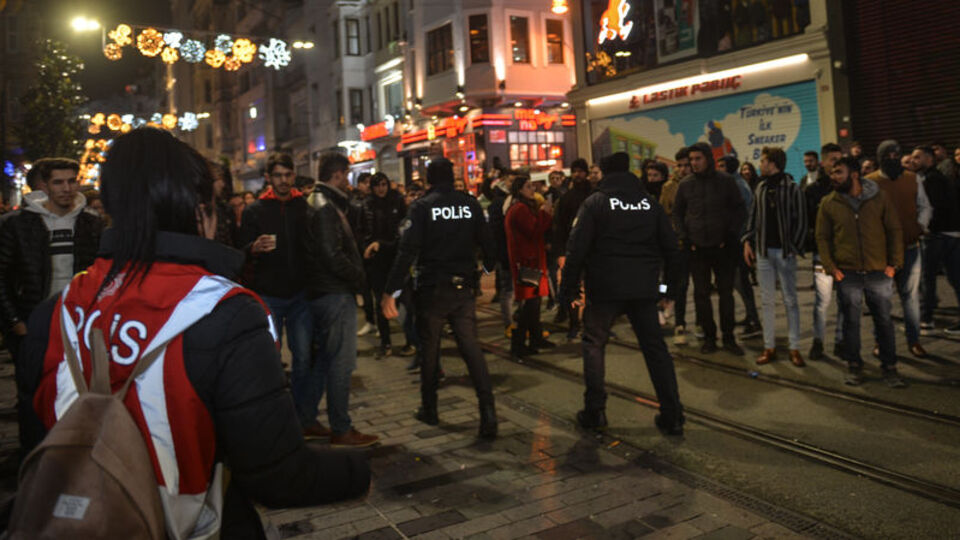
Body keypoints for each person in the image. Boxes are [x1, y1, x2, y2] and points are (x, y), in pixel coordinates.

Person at [26, 129, 370, 537]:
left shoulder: (56, 311)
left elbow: (38, 445)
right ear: (202, 212)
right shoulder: (226, 311)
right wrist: (360, 472)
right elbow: (277, 474)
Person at [559, 152, 684, 436]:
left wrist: (567, 290)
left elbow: (575, 249)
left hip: (604, 288)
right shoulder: (648, 203)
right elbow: (672, 250)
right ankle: (672, 413)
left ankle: (595, 410)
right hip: (643, 289)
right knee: (656, 350)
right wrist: (668, 289)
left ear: (603, 172)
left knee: (594, 344)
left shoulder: (595, 203)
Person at [381, 158, 498, 439]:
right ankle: (489, 414)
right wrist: (484, 271)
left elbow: (406, 251)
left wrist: (390, 291)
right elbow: (490, 245)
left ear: (429, 179)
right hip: (463, 289)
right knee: (472, 349)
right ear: (453, 175)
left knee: (430, 350)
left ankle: (430, 408)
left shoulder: (421, 207)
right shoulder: (469, 204)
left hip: (433, 289)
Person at [0, 157, 103, 455]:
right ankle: (35, 461)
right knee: (32, 396)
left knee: (82, 392)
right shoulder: (18, 226)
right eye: (58, 182)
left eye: (72, 181)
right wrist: (14, 322)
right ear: (44, 185)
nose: (67, 188)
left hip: (79, 321)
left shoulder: (91, 223)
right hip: (33, 321)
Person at [237, 153, 317, 436]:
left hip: (301, 295)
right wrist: (253, 248)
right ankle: (274, 421)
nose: (284, 180)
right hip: (268, 295)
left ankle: (304, 418)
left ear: (294, 175)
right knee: (269, 360)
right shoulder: (255, 211)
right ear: (269, 178)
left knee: (304, 358)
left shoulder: (304, 207)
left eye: (288, 174)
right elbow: (239, 250)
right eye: (278, 175)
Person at [303, 153, 379, 447]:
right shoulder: (324, 207)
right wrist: (358, 278)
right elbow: (331, 254)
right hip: (333, 293)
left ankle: (307, 418)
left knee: (325, 360)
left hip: (324, 291)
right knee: (341, 363)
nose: (348, 181)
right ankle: (341, 428)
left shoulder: (321, 202)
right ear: (337, 175)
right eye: (346, 175)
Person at [816, 157, 905, 387]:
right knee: (851, 323)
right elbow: (822, 237)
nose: (833, 176)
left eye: (838, 172)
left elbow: (894, 229)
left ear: (854, 174)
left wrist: (893, 264)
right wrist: (831, 267)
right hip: (847, 273)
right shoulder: (829, 202)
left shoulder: (879, 197)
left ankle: (890, 367)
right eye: (832, 172)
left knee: (884, 321)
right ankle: (854, 366)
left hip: (879, 271)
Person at [673, 142, 746, 355]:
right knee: (701, 295)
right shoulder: (686, 185)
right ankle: (709, 337)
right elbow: (677, 213)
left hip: (723, 247)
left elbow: (740, 209)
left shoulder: (726, 181)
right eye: (691, 160)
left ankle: (729, 337)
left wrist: (731, 234)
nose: (694, 163)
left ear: (708, 159)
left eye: (698, 159)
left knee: (726, 294)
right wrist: (685, 237)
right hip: (697, 249)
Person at [865, 140, 932, 358]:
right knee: (881, 300)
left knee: (910, 298)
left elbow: (924, 206)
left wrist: (920, 226)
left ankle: (914, 340)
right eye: (888, 156)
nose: (893, 159)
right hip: (881, 252)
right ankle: (880, 341)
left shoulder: (912, 179)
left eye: (896, 155)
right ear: (880, 158)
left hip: (910, 248)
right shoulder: (870, 182)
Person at [742, 147, 807, 366]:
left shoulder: (792, 188)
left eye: (763, 161)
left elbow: (801, 220)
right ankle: (768, 346)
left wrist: (793, 246)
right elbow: (753, 217)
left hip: (785, 252)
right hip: (763, 251)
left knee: (791, 300)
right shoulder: (760, 187)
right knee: (767, 300)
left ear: (773, 163)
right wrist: (748, 242)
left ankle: (794, 347)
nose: (760, 164)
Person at [505, 173, 555, 356]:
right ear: (519, 190)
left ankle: (535, 338)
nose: (532, 189)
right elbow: (534, 230)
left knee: (533, 303)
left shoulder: (520, 207)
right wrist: (545, 213)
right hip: (527, 262)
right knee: (529, 305)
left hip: (530, 261)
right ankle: (519, 344)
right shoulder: (519, 209)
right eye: (528, 186)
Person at [360, 172, 408, 358]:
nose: (381, 189)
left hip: (395, 259)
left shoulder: (397, 202)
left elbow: (402, 232)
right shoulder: (367, 205)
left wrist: (383, 245)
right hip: (376, 261)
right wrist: (367, 248)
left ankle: (412, 342)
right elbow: (362, 231)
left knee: (403, 301)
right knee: (380, 301)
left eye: (384, 184)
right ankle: (386, 343)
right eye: (377, 185)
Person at [913, 146, 960, 335]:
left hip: (936, 235)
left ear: (930, 160)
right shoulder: (939, 178)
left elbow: (930, 207)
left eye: (918, 157)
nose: (914, 160)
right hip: (952, 234)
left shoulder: (931, 180)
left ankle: (926, 320)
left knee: (927, 277)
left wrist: (924, 228)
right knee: (955, 278)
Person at [803, 142, 843, 360]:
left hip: (847, 253)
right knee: (823, 301)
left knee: (845, 300)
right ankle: (818, 342)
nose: (836, 163)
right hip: (823, 253)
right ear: (824, 161)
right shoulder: (814, 190)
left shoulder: (848, 186)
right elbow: (808, 222)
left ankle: (840, 341)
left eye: (839, 159)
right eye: (832, 160)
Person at [718, 155, 761, 339]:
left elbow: (743, 215)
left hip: (738, 242)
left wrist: (743, 239)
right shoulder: (736, 183)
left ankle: (755, 322)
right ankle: (751, 316)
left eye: (721, 165)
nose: (717, 168)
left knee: (740, 282)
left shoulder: (736, 185)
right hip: (738, 240)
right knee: (740, 282)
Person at [554, 159, 592, 335]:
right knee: (573, 287)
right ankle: (574, 321)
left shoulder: (594, 195)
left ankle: (587, 320)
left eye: (580, 171)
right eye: (575, 171)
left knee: (591, 288)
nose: (577, 174)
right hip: (573, 249)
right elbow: (560, 226)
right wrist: (560, 251)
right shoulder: (567, 198)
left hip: (591, 248)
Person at [660, 148, 694, 345]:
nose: (682, 169)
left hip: (697, 243)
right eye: (679, 165)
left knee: (697, 287)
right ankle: (676, 319)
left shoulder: (698, 184)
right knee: (674, 283)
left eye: (685, 165)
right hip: (676, 244)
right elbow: (665, 214)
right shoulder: (669, 187)